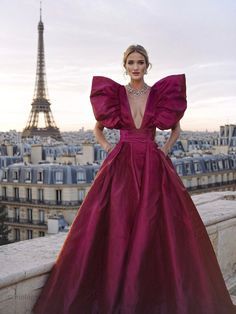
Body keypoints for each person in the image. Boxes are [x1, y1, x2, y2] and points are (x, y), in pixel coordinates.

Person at [32, 45, 236, 314]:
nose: (136, 67)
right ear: (125, 66)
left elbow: (175, 129)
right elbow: (97, 127)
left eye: (140, 62)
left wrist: (163, 151)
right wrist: (108, 148)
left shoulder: (158, 94)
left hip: (151, 162)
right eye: (131, 62)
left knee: (152, 222)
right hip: (123, 161)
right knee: (119, 220)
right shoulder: (116, 95)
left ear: (147, 65)